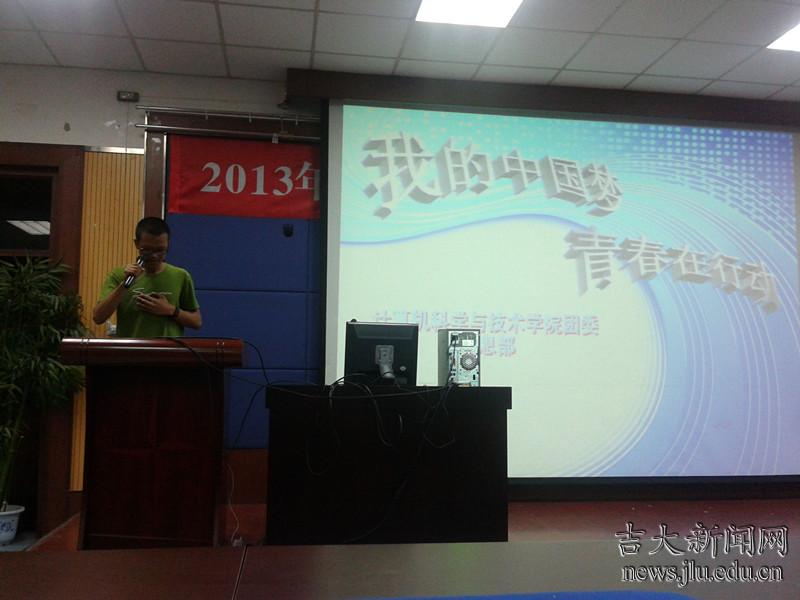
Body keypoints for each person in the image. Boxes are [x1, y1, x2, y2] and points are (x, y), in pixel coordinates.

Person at [93, 217, 201, 337]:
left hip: (167, 348)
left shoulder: (181, 276)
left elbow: (196, 321)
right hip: (132, 348)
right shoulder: (119, 275)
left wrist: (170, 310)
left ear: (168, 245)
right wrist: (124, 285)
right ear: (137, 244)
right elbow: (98, 317)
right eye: (147, 250)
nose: (154, 255)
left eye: (160, 250)